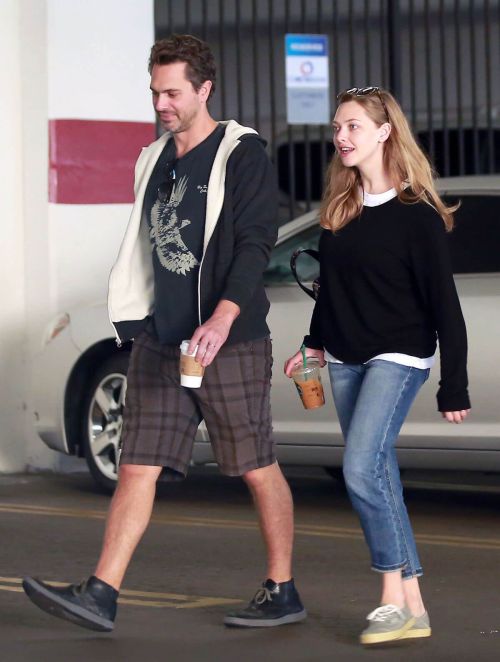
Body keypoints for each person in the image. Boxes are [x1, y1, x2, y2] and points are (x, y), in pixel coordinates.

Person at [23, 34, 306, 632]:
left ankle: (282, 588)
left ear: (204, 89)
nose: (161, 104)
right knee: (137, 465)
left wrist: (224, 315)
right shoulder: (152, 159)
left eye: (173, 92)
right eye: (155, 92)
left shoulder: (240, 153)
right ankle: (101, 592)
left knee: (256, 465)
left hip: (229, 340)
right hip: (161, 340)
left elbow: (257, 242)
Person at [285, 86, 470, 645]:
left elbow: (445, 304)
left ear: (385, 131)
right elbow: (331, 290)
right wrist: (313, 343)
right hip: (343, 356)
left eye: (353, 127)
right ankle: (414, 603)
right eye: (338, 127)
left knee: (360, 466)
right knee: (380, 473)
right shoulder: (338, 212)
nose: (341, 137)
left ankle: (390, 596)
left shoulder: (418, 216)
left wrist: (452, 384)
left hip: (400, 354)